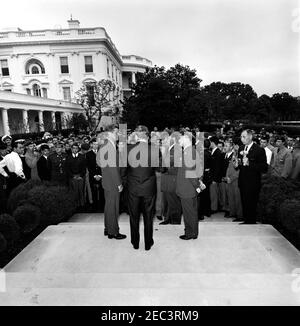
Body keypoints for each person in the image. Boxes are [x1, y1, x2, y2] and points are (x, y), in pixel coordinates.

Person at [121, 125, 157, 250]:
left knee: (134, 216)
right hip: (149, 188)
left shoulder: (128, 149)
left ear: (136, 135)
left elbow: (123, 170)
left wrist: (126, 183)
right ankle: (148, 244)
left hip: (133, 187)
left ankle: (135, 243)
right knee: (148, 217)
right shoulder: (153, 149)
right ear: (147, 136)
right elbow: (162, 168)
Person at [97, 125, 126, 240]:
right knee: (113, 208)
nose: (118, 134)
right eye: (116, 132)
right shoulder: (109, 146)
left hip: (107, 181)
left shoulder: (105, 145)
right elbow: (113, 168)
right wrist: (119, 183)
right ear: (110, 133)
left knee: (109, 206)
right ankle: (113, 232)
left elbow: (99, 162)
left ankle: (108, 228)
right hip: (112, 182)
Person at [235, 129, 268, 224]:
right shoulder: (241, 148)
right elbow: (240, 165)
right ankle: (246, 220)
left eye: (244, 137)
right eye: (241, 137)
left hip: (253, 182)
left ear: (250, 137)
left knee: (252, 203)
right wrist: (237, 164)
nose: (241, 139)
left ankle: (251, 221)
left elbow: (264, 168)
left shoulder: (259, 149)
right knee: (244, 202)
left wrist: (250, 163)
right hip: (242, 180)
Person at [176, 132, 201, 240]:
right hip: (188, 187)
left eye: (181, 137)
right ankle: (193, 232)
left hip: (187, 188)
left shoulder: (189, 152)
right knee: (191, 211)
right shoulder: (189, 151)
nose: (179, 139)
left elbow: (191, 172)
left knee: (189, 212)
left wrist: (197, 186)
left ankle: (190, 233)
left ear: (187, 139)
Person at [160, 133, 182, 225]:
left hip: (172, 178)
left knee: (174, 201)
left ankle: (175, 220)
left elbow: (174, 164)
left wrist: (164, 166)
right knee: (167, 200)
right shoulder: (167, 149)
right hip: (166, 178)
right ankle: (167, 218)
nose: (162, 142)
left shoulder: (177, 149)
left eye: (164, 140)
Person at [223, 140, 243, 220]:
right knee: (231, 197)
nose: (235, 147)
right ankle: (233, 212)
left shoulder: (240, 156)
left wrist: (231, 178)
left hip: (236, 180)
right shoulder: (234, 155)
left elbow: (239, 170)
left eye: (236, 145)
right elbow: (229, 167)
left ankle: (239, 215)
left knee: (237, 198)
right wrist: (227, 177)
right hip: (229, 180)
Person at [65, 143, 87, 209]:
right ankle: (75, 205)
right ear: (71, 149)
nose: (75, 150)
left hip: (80, 176)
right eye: (73, 148)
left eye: (76, 148)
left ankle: (82, 205)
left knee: (81, 190)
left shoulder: (82, 157)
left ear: (78, 149)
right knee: (74, 191)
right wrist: (72, 176)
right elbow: (67, 168)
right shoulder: (68, 157)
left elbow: (84, 168)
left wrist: (81, 175)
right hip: (72, 177)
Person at [86, 140, 104, 212]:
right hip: (92, 175)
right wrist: (94, 175)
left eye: (97, 144)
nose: (96, 146)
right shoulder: (88, 154)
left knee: (102, 191)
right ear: (91, 145)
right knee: (93, 191)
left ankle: (102, 207)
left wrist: (100, 175)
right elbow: (88, 166)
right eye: (94, 144)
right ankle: (94, 207)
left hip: (101, 175)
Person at [209, 136, 223, 214]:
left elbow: (217, 167)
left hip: (214, 177)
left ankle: (214, 208)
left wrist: (214, 179)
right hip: (212, 176)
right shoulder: (213, 151)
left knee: (214, 193)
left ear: (212, 143)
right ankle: (213, 207)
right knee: (212, 193)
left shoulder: (218, 152)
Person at [0, 141, 8, 213]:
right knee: (3, 198)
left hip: (10, 181)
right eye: (3, 150)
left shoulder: (8, 157)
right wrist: (4, 183)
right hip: (2, 183)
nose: (5, 151)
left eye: (5, 149)